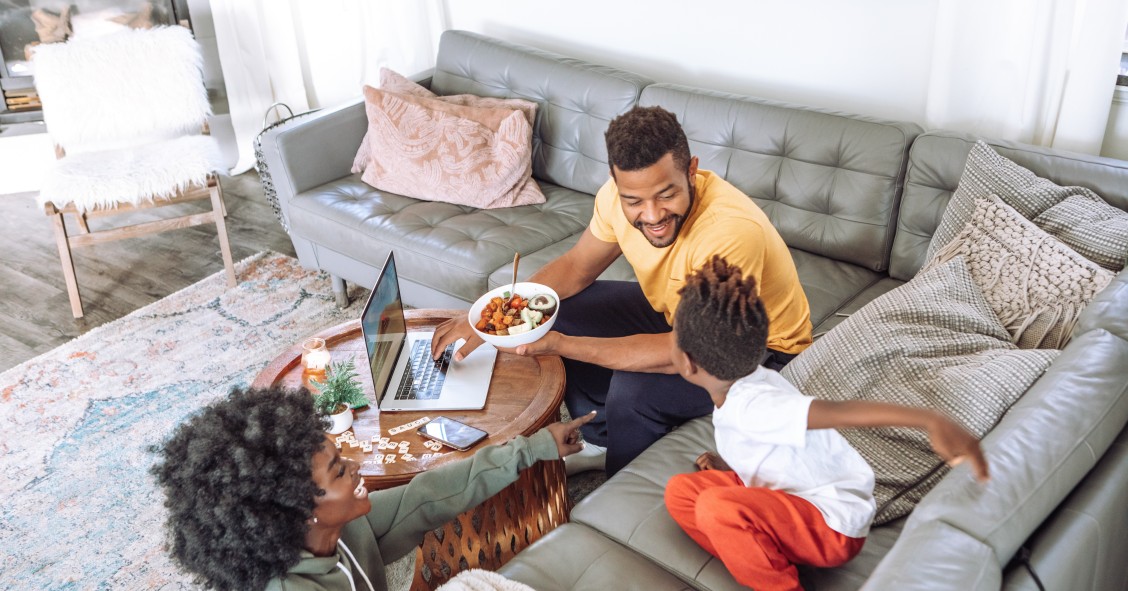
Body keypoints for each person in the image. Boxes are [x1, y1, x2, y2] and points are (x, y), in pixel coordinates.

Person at [432, 105, 813, 476]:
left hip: (756, 351)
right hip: (679, 316)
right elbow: (577, 268)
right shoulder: (614, 200)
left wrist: (562, 345)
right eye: (635, 200)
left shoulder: (728, 233)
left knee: (633, 389)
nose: (652, 215)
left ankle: (620, 479)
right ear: (618, 186)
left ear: (692, 171)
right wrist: (493, 316)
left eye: (667, 194)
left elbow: (684, 350)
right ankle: (601, 441)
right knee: (558, 307)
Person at [663, 255, 989, 591]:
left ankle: (775, 579)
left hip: (831, 527)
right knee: (681, 493)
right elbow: (770, 451)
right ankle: (758, 552)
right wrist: (731, 464)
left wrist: (929, 419)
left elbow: (841, 413)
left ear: (688, 363)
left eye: (672, 333)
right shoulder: (746, 382)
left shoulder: (758, 406)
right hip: (789, 499)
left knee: (716, 507)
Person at [150, 386, 595, 591]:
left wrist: (535, 447)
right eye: (340, 472)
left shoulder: (339, 533)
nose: (358, 468)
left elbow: (429, 495)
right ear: (300, 510)